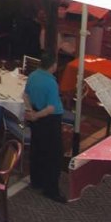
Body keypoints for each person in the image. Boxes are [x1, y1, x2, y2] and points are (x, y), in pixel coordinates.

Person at [23, 49, 67, 202]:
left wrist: (31, 111)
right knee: (53, 155)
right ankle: (51, 189)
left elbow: (25, 95)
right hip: (50, 121)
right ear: (53, 66)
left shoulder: (33, 75)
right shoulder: (51, 82)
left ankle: (36, 180)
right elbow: (51, 108)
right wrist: (36, 115)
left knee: (37, 150)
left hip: (36, 115)